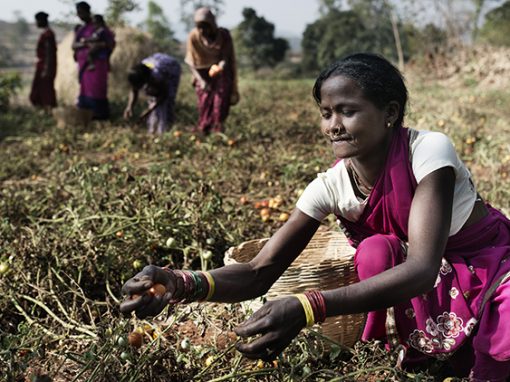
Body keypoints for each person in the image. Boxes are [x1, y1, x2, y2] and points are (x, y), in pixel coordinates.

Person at [119, 53, 510, 381]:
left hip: (485, 263)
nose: (333, 125)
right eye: (326, 113)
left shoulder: (427, 152)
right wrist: (181, 283)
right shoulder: (331, 186)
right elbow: (259, 271)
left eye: (347, 111)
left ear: (390, 112)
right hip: (422, 281)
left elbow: (423, 267)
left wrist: (308, 307)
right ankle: (419, 351)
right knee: (375, 251)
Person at [184, 7, 239, 135]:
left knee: (219, 102)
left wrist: (220, 66)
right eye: (200, 27)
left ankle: (218, 129)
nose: (203, 30)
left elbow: (225, 57)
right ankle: (204, 129)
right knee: (204, 102)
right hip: (200, 73)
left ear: (212, 25)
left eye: (205, 27)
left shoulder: (223, 35)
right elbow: (191, 62)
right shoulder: (194, 37)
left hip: (220, 72)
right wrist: (202, 81)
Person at [72, 2, 115, 120]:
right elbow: (74, 45)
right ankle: (86, 114)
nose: (80, 15)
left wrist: (99, 46)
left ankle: (100, 115)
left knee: (97, 88)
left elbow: (110, 43)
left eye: (81, 12)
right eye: (78, 13)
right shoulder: (81, 30)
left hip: (98, 65)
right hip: (84, 66)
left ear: (87, 12)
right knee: (85, 89)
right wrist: (85, 43)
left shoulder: (99, 27)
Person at [123, 53, 181, 135]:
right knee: (152, 97)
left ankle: (165, 129)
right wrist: (129, 107)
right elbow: (134, 89)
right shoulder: (137, 74)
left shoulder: (157, 76)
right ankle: (152, 129)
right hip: (157, 64)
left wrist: (148, 111)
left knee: (167, 103)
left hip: (171, 69)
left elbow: (164, 94)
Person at [29, 12, 57, 110]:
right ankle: (44, 109)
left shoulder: (48, 34)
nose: (36, 23)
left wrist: (46, 69)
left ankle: (49, 109)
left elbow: (49, 53)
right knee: (41, 88)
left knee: (45, 89)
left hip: (45, 66)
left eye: (37, 20)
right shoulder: (46, 33)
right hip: (44, 65)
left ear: (41, 21)